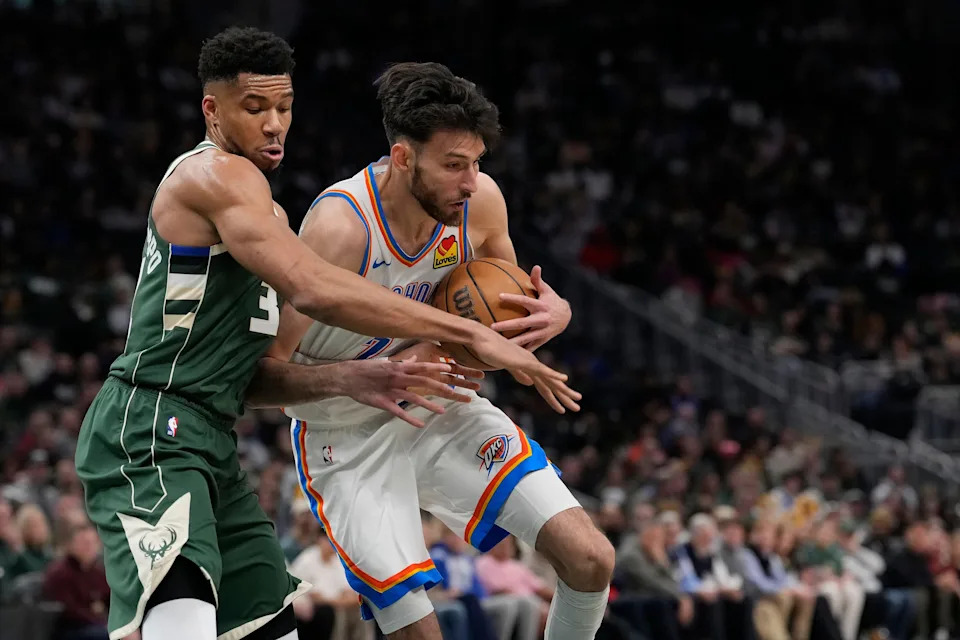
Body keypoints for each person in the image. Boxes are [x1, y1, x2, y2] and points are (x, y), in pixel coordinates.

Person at [74, 27, 569, 640]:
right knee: (182, 623)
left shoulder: (272, 215)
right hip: (151, 422)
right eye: (254, 108)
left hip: (212, 433)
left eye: (284, 107)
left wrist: (357, 373)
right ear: (212, 110)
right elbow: (313, 286)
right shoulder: (214, 176)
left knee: (268, 627)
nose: (274, 123)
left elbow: (254, 377)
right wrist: (468, 333)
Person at [267, 62, 612, 639]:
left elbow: (504, 314)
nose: (471, 180)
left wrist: (555, 315)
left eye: (476, 162)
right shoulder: (339, 229)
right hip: (345, 438)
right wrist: (354, 378)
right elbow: (259, 377)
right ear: (403, 158)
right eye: (454, 165)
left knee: (591, 559)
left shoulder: (481, 204)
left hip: (439, 407)